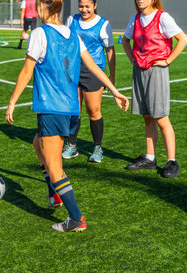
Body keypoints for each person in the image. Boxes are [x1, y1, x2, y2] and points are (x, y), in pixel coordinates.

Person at [5, 0, 129, 232]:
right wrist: (114, 91)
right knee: (37, 142)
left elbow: (26, 71)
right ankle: (55, 195)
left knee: (54, 165)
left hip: (52, 108)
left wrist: (12, 102)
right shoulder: (73, 35)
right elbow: (93, 65)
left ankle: (76, 218)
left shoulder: (40, 33)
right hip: (71, 109)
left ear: (44, 7)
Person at [122, 0, 187, 178]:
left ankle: (171, 161)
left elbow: (183, 39)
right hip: (139, 71)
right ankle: (150, 158)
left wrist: (167, 60)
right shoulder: (134, 19)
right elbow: (125, 40)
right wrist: (132, 59)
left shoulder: (162, 17)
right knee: (147, 116)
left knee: (160, 117)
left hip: (156, 70)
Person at [62, 0, 116, 163]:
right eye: (81, 6)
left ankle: (97, 148)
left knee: (93, 110)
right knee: (73, 110)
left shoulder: (103, 24)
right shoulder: (72, 20)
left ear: (95, 6)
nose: (84, 10)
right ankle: (71, 146)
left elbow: (110, 51)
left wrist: (111, 77)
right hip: (73, 70)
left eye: (87, 6)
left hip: (93, 72)